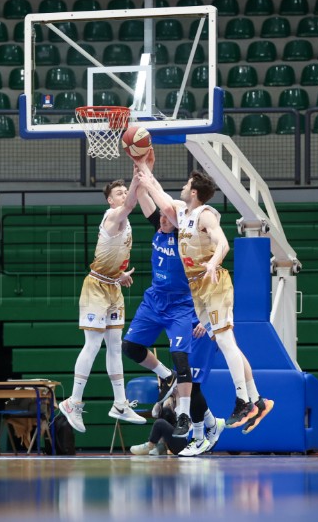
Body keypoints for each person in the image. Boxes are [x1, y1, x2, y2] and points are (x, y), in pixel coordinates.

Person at [137, 166, 274, 433]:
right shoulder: (181, 212)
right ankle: (256, 399)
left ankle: (243, 401)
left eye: (187, 184)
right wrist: (144, 168)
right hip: (197, 288)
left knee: (224, 340)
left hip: (214, 282)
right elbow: (159, 195)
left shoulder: (206, 214)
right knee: (226, 341)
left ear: (195, 191)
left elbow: (222, 243)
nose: (183, 187)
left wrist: (212, 263)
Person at [59, 178, 146, 434]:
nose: (125, 195)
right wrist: (138, 174)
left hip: (113, 286)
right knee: (93, 344)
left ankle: (119, 403)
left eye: (125, 192)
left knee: (115, 346)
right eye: (119, 193)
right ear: (110, 200)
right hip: (96, 287)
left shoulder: (125, 219)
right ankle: (73, 402)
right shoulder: (113, 215)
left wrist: (119, 275)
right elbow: (131, 202)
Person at [122, 160, 196, 438]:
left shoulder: (182, 235)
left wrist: (150, 176)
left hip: (180, 304)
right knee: (130, 347)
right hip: (154, 300)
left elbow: (167, 209)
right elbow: (144, 199)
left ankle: (185, 416)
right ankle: (166, 375)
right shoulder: (159, 228)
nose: (162, 220)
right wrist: (138, 174)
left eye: (167, 218)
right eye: (161, 219)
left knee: (181, 357)